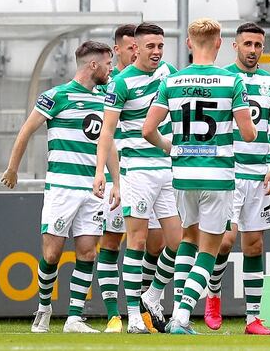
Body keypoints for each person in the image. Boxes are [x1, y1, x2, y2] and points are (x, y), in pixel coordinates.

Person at [142, 18, 257, 335]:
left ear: (189, 44)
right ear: (219, 43)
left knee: (188, 242)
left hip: (182, 174)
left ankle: (165, 303)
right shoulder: (232, 83)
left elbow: (148, 130)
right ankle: (180, 318)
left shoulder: (172, 82)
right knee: (208, 249)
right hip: (217, 176)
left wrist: (169, 145)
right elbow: (248, 134)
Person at [1, 41, 120, 334]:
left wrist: (116, 180)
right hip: (62, 187)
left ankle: (74, 318)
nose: (111, 69)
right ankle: (43, 307)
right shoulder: (57, 96)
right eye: (108, 63)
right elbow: (26, 131)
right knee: (52, 253)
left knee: (87, 253)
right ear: (93, 65)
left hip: (94, 187)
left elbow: (109, 141)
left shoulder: (107, 98)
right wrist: (12, 169)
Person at [93, 23, 182, 334]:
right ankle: (132, 316)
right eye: (150, 47)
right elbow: (106, 133)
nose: (156, 51)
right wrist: (101, 173)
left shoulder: (169, 72)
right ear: (136, 49)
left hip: (168, 169)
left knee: (178, 240)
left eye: (160, 46)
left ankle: (153, 294)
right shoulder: (121, 83)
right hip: (137, 172)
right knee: (137, 242)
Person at [202, 23, 270, 335]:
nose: (253, 50)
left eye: (257, 45)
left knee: (254, 245)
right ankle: (213, 294)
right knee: (224, 240)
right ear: (234, 46)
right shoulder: (222, 78)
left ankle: (253, 319)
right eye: (247, 44)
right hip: (229, 172)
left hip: (259, 174)